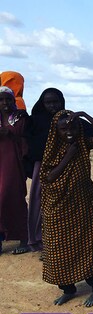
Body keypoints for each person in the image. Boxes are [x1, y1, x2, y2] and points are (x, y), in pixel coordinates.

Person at [40, 110, 93, 306]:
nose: (69, 132)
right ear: (56, 131)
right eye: (63, 129)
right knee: (57, 249)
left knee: (88, 245)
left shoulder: (83, 144)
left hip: (83, 205)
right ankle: (68, 289)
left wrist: (83, 114)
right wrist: (68, 157)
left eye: (72, 127)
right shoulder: (52, 150)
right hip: (57, 208)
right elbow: (48, 177)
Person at [25, 88, 67, 253]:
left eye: (55, 102)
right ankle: (39, 239)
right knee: (39, 200)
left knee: (62, 203)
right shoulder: (34, 121)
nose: (52, 106)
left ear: (61, 102)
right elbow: (28, 144)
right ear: (42, 104)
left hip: (65, 165)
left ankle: (60, 240)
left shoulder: (67, 120)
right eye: (48, 102)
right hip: (41, 167)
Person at [0, 86, 29, 255]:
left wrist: (9, 133)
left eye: (8, 99)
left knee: (12, 198)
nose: (5, 103)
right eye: (1, 99)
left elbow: (25, 137)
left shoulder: (20, 117)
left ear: (13, 100)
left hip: (13, 163)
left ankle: (24, 238)